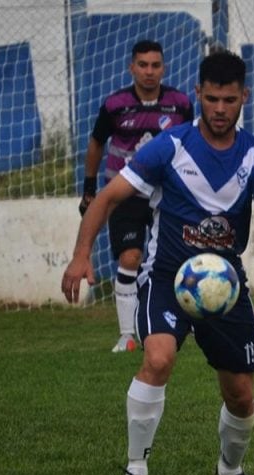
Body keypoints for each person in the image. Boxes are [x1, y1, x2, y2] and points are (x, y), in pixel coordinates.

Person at [62, 50, 254, 475]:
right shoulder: (169, 147)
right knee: (157, 359)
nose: (219, 109)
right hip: (165, 277)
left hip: (225, 286)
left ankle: (230, 473)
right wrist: (81, 256)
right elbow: (107, 198)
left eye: (229, 100)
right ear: (197, 94)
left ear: (244, 99)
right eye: (212, 98)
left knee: (241, 396)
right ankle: (135, 473)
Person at [79, 40, 193, 353]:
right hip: (125, 190)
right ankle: (128, 335)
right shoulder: (115, 104)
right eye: (142, 65)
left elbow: (191, 145)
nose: (149, 71)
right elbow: (96, 144)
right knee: (131, 257)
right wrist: (90, 188)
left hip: (166, 193)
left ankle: (182, 322)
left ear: (163, 68)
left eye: (155, 65)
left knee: (177, 259)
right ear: (132, 68)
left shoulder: (180, 103)